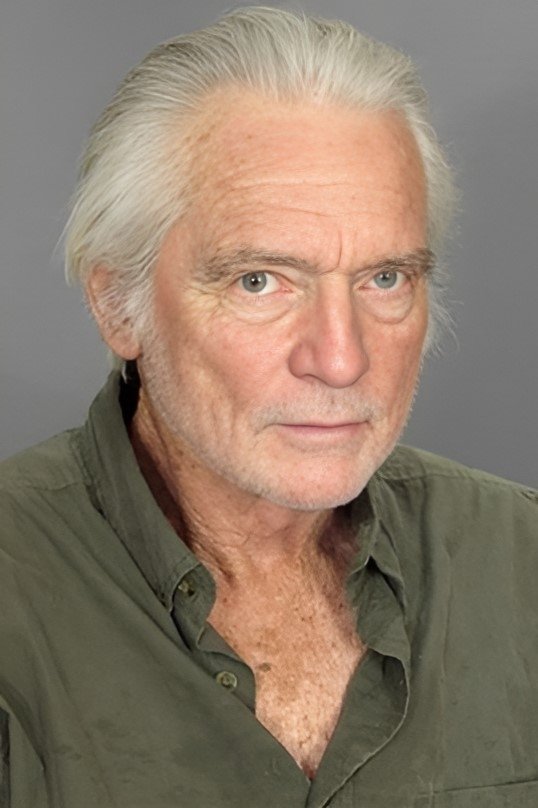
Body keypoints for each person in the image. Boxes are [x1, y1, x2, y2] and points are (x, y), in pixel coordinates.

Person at [0, 7, 536, 807]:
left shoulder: (520, 562)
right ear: (118, 306)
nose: (341, 359)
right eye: (260, 282)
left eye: (384, 278)